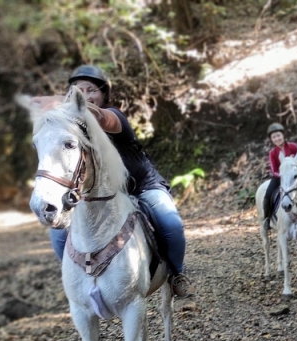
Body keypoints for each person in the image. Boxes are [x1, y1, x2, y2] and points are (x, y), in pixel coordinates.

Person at [32, 65, 195, 298]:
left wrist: (65, 102)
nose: (87, 96)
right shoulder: (70, 131)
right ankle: (77, 277)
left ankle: (177, 274)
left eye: (91, 90)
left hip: (141, 187)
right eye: (79, 91)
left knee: (170, 223)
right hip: (100, 195)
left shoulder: (115, 117)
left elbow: (100, 118)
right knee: (58, 234)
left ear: (104, 94)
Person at [262, 122, 297, 230]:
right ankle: (267, 218)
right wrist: (283, 176)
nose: (277, 138)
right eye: (274, 137)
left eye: (278, 135)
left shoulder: (293, 147)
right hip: (280, 177)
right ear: (271, 139)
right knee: (268, 194)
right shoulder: (273, 153)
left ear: (283, 135)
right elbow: (274, 169)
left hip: (295, 177)